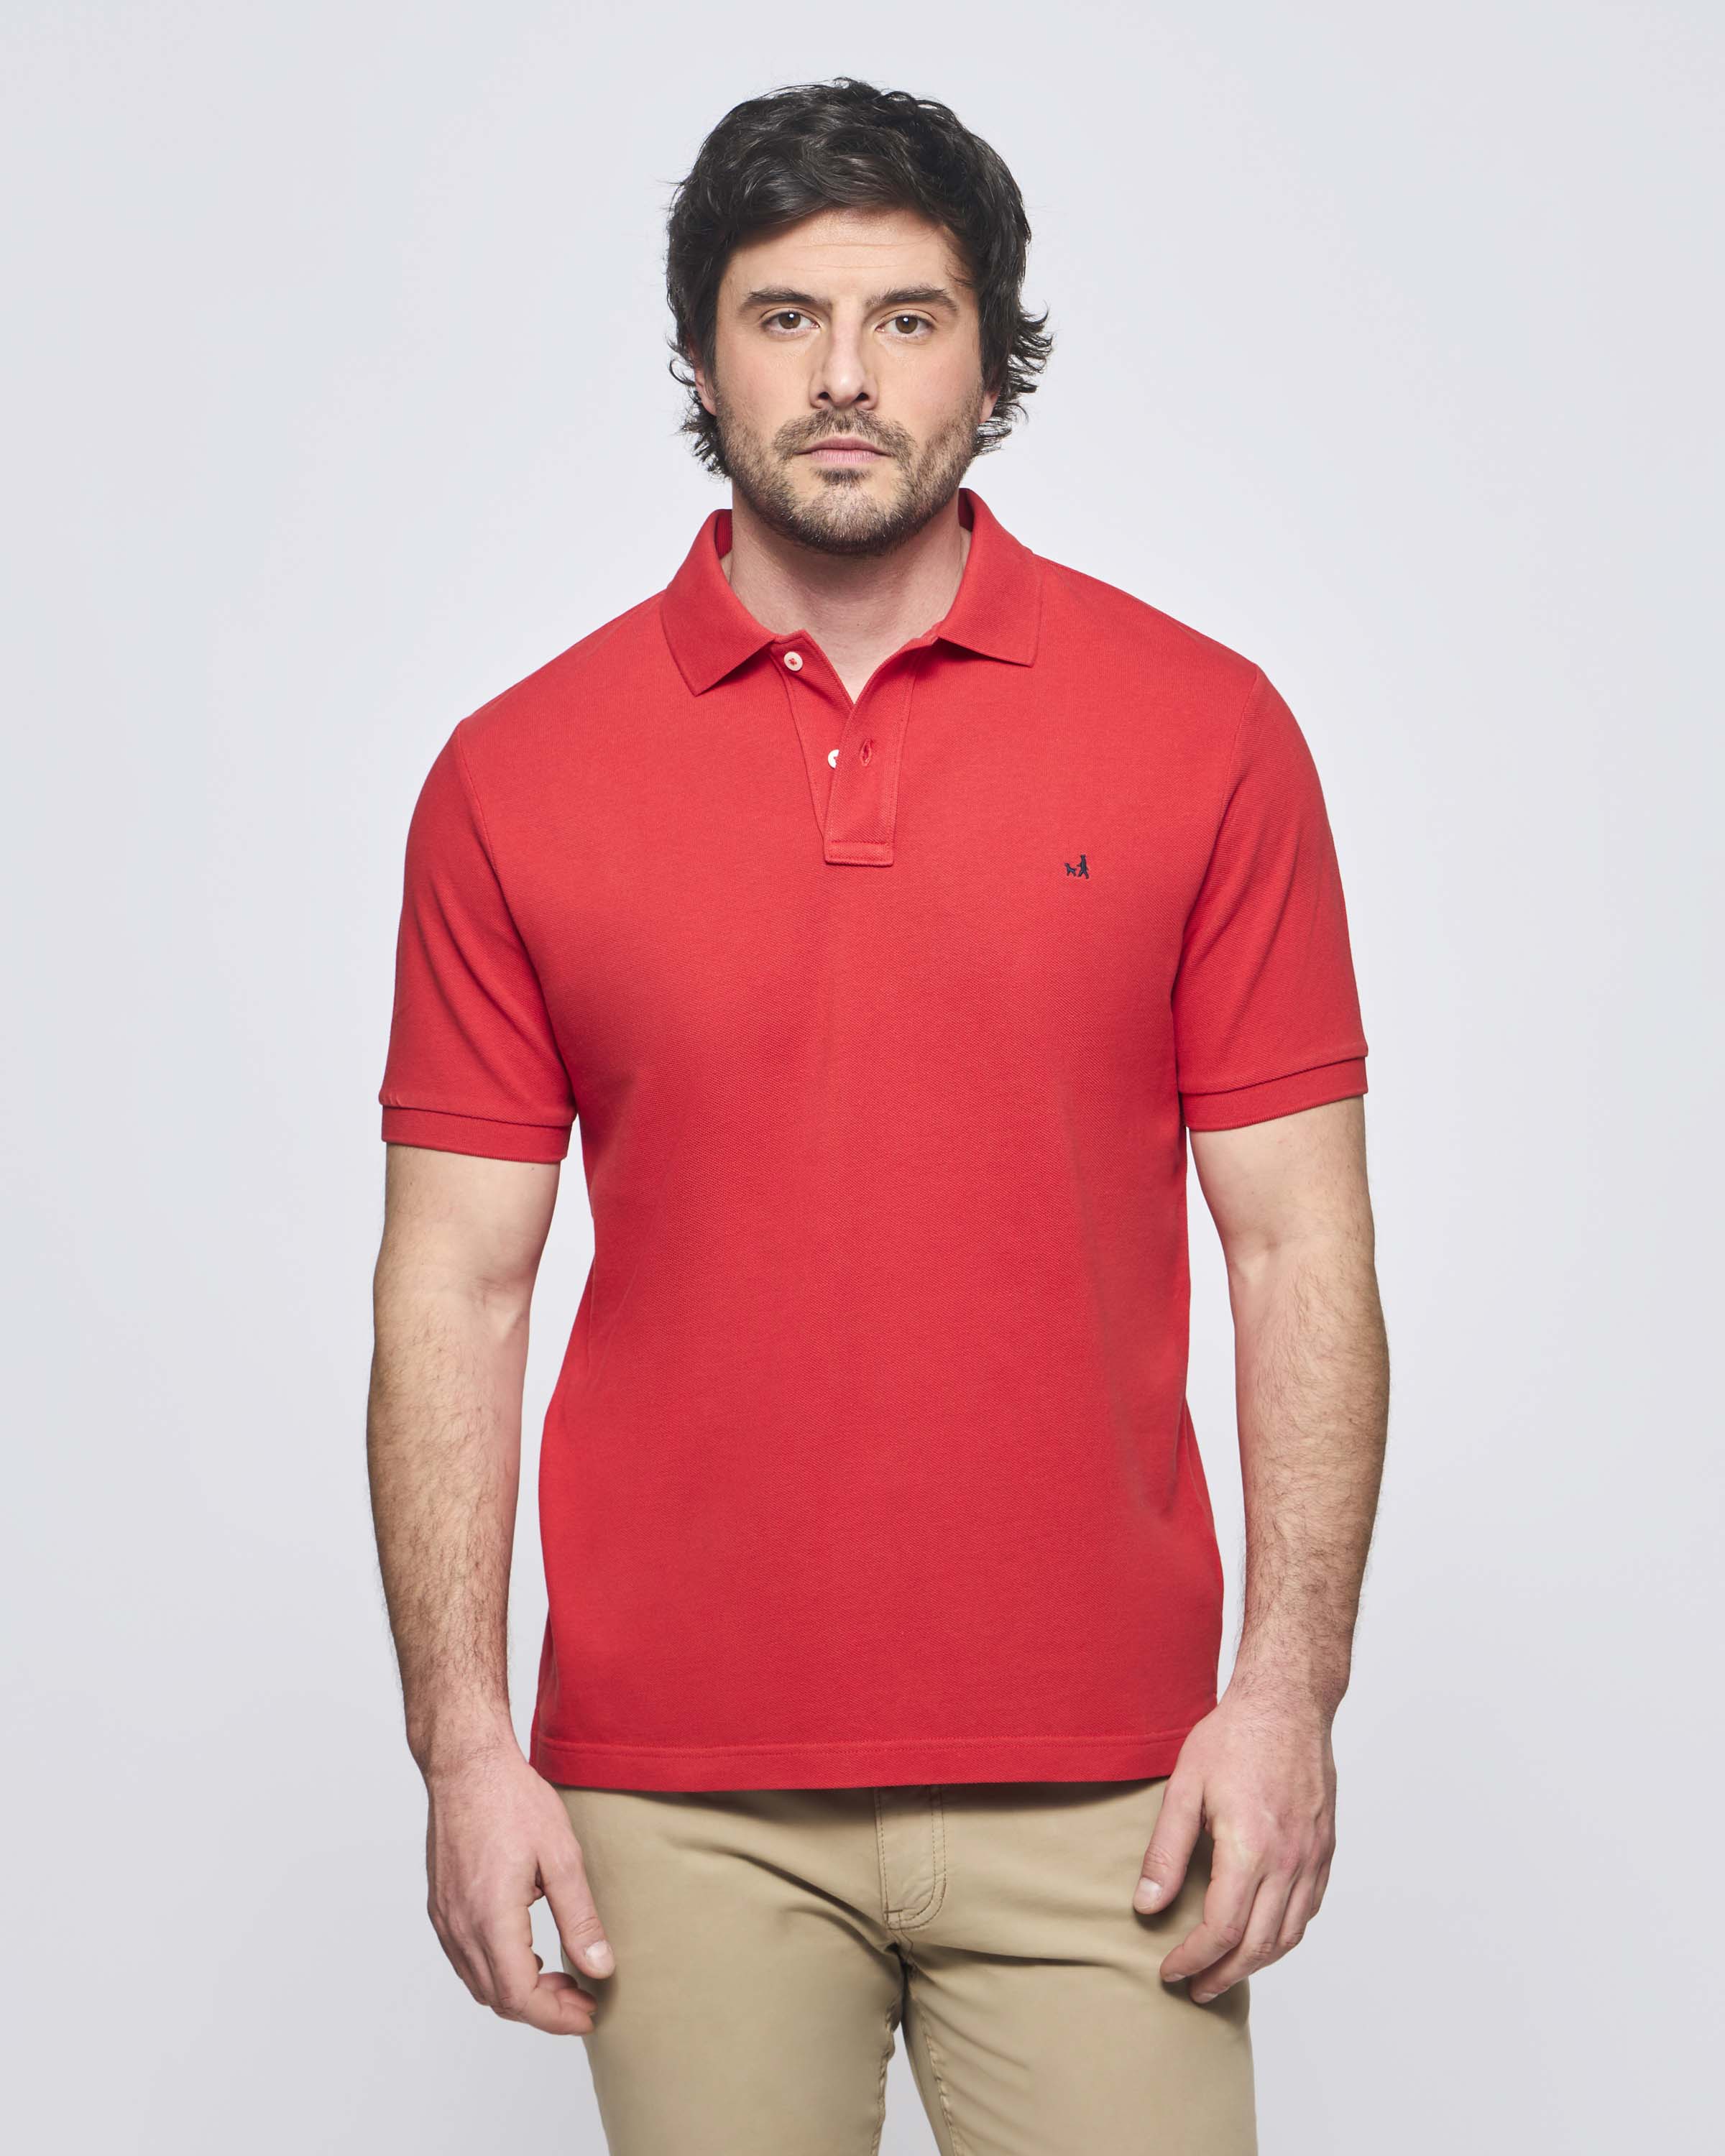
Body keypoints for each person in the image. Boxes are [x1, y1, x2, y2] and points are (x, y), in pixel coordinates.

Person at [367, 75, 1389, 2156]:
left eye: (908, 319)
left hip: (1114, 1784)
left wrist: (1286, 1699)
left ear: (993, 361)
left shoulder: (1205, 733)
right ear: (702, 356)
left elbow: (1300, 1246)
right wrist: (463, 1750)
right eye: (786, 317)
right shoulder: (515, 774)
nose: (845, 376)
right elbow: (454, 1288)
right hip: (673, 1799)